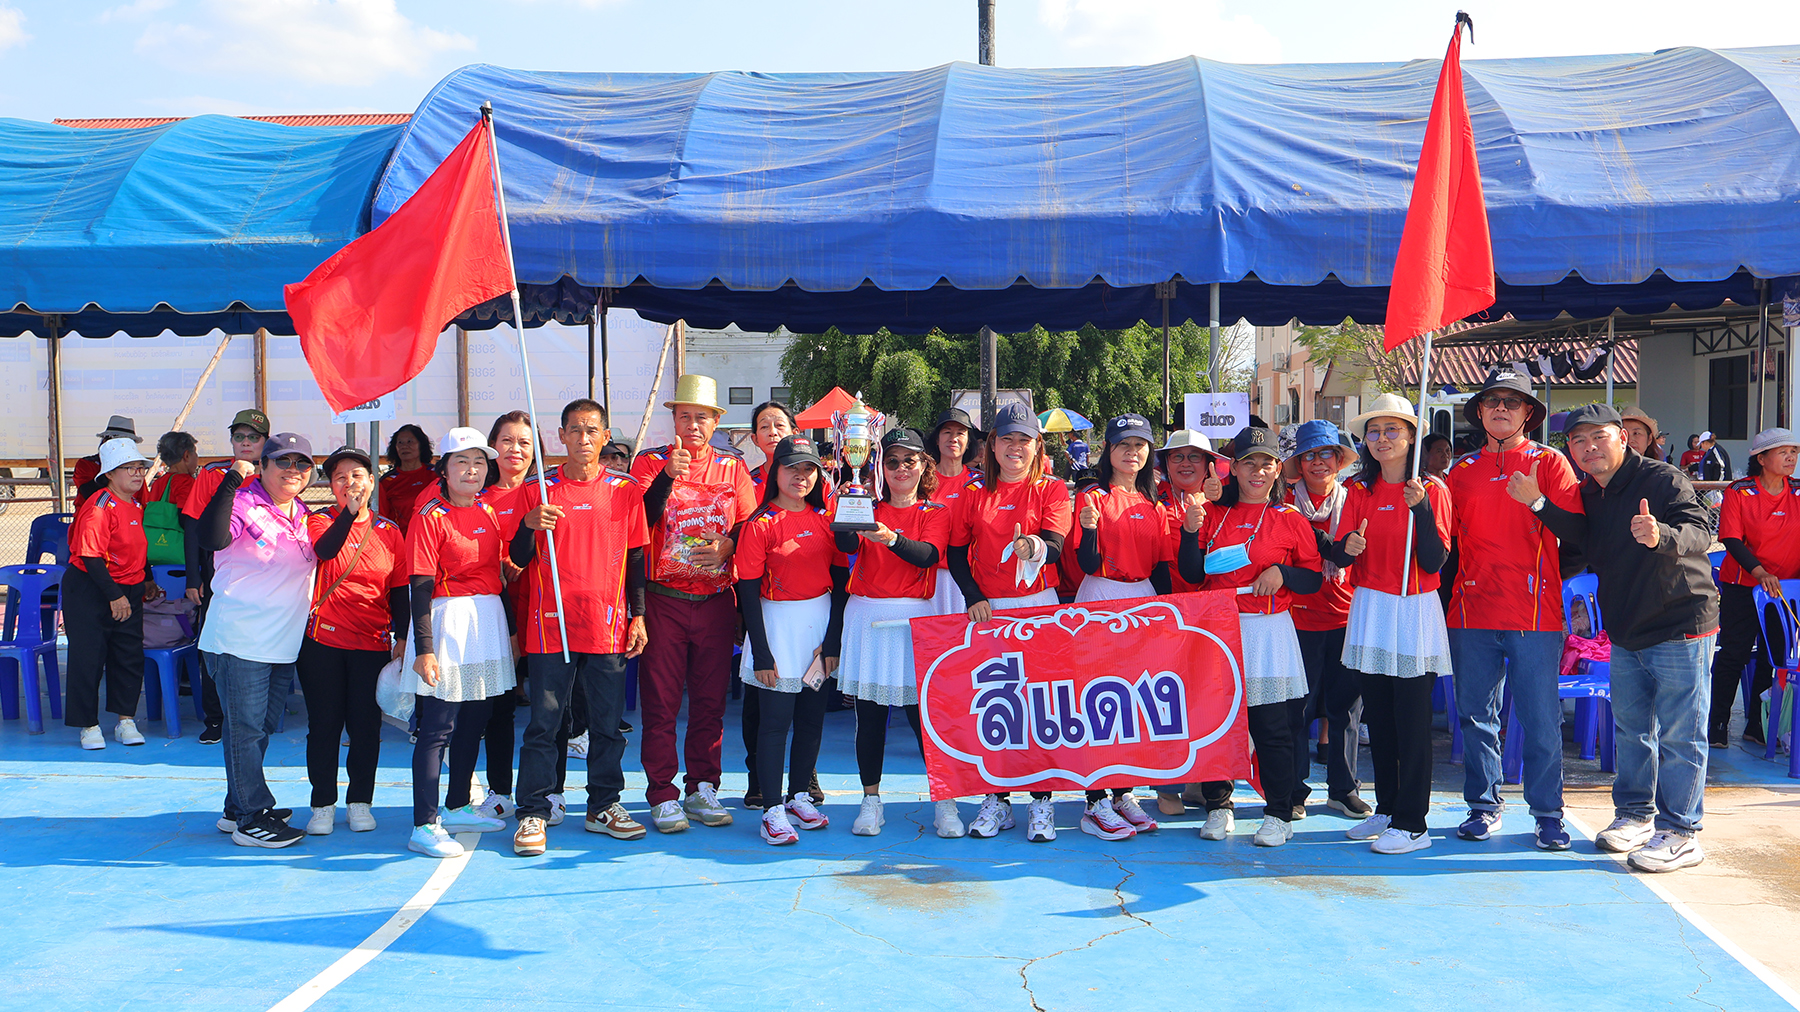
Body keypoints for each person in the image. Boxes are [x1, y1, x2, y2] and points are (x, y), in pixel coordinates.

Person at [1522, 403, 1718, 872]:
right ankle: (1635, 815)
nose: (1588, 447)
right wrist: (1538, 507)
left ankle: (1682, 832)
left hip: (1680, 623)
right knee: (1632, 730)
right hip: (1626, 628)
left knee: (1681, 734)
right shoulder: (1589, 492)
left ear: (1622, 438)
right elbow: (1579, 543)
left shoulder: (1663, 479)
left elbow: (1702, 529)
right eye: (1578, 440)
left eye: (1599, 437)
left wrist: (1661, 534)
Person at [1445, 373, 1583, 851]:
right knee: (1475, 717)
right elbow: (1446, 544)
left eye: (1512, 401)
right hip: (1471, 611)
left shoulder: (1551, 462)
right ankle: (1483, 806)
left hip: (1534, 616)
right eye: (1492, 401)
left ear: (1528, 413)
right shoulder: (1461, 471)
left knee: (1541, 720)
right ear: (1480, 411)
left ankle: (1547, 814)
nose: (1501, 408)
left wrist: (1537, 505)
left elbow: (1577, 534)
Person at [510, 400, 652, 856]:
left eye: (592, 430)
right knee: (544, 723)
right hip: (550, 624)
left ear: (605, 435)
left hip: (606, 623)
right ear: (561, 435)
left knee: (607, 724)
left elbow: (636, 555)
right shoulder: (539, 489)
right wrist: (529, 526)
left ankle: (603, 806)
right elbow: (517, 556)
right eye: (575, 430)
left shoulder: (625, 489)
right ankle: (534, 809)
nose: (584, 438)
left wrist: (638, 614)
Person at [1178, 426, 1323, 848]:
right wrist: (1189, 531)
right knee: (1217, 722)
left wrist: (1283, 573)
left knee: (1272, 726)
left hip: (1267, 629)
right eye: (1248, 463)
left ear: (1278, 470)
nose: (1257, 472)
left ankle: (1279, 813)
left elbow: (1314, 578)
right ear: (1235, 469)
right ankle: (1219, 805)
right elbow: (1191, 573)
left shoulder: (1290, 519)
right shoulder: (1212, 513)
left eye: (1266, 464)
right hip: (1218, 629)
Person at [630, 375, 759, 833]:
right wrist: (668, 476)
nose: (693, 425)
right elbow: (639, 519)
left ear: (715, 421)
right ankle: (662, 793)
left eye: (701, 417)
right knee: (660, 703)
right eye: (684, 416)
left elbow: (749, 525)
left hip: (715, 601)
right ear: (673, 419)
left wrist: (729, 545)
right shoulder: (650, 462)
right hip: (663, 600)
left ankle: (703, 786)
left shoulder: (733, 468)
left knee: (709, 702)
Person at [1328, 394, 1453, 855]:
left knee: (1412, 719)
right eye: (1374, 432)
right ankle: (1386, 807)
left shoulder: (1432, 489)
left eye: (1392, 430)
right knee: (1378, 716)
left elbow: (1435, 560)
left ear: (1411, 436)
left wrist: (1420, 509)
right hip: (1371, 606)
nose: (1382, 439)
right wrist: (1347, 549)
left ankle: (1413, 822)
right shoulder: (1358, 489)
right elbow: (1340, 554)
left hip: (1413, 608)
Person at [947, 402, 1072, 842]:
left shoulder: (1052, 489)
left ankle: (1041, 801)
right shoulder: (973, 491)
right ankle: (997, 800)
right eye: (1007, 438)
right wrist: (974, 596)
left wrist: (1033, 547)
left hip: (1037, 606)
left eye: (1024, 439)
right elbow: (956, 554)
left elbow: (1055, 545)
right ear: (992, 445)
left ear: (1037, 446)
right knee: (995, 706)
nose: (1015, 447)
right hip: (990, 613)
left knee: (1040, 707)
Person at [832, 428, 962, 838]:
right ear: (880, 468)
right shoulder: (867, 505)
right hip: (867, 615)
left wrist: (890, 538)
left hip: (915, 620)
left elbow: (928, 556)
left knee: (925, 720)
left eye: (910, 460)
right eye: (892, 461)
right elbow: (845, 544)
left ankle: (945, 800)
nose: (901, 468)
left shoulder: (935, 511)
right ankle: (871, 800)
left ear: (924, 465)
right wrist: (848, 506)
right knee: (870, 717)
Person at [196, 432, 320, 849]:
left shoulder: (302, 513)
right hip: (240, 638)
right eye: (283, 461)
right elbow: (211, 538)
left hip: (281, 642)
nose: (293, 470)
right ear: (262, 466)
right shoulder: (244, 503)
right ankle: (252, 817)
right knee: (245, 731)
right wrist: (232, 480)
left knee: (259, 728)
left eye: (302, 464)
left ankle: (236, 807)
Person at [401, 428, 518, 858]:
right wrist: (425, 648)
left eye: (479, 462)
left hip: (486, 619)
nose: (472, 470)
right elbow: (419, 586)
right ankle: (424, 823)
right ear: (444, 469)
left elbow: (499, 573)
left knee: (476, 717)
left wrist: (510, 633)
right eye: (461, 462)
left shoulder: (487, 509)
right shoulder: (429, 515)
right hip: (448, 620)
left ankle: (455, 806)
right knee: (438, 726)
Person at [736, 435, 849, 845]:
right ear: (776, 472)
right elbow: (748, 592)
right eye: (792, 468)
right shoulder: (759, 524)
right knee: (775, 723)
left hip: (819, 625)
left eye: (808, 469)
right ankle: (771, 809)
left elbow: (841, 582)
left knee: (811, 719)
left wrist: (833, 640)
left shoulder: (826, 520)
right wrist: (762, 653)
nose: (800, 476)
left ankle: (799, 794)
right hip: (776, 627)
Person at [1072, 413, 1174, 839]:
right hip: (1101, 595)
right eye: (1123, 445)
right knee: (1099, 699)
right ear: (1108, 450)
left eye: (1139, 445)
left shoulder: (1154, 505)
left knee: (1132, 703)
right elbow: (1086, 562)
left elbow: (1163, 568)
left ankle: (1122, 791)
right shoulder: (1093, 496)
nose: (1132, 452)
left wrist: (1171, 617)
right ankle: (1095, 801)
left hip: (1142, 600)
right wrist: (1089, 531)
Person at [298, 447, 407, 836]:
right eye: (340, 478)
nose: (350, 483)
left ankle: (360, 800)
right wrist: (349, 513)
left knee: (365, 727)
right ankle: (322, 804)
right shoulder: (319, 520)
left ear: (372, 482)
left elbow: (399, 589)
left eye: (358, 475)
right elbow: (325, 550)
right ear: (332, 487)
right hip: (322, 642)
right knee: (324, 725)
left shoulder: (390, 532)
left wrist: (403, 637)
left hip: (371, 644)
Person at [1282, 419, 1370, 820]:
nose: (1318, 462)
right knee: (1296, 712)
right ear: (1299, 463)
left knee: (1346, 712)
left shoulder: (1355, 500)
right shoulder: (1283, 503)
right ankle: (1293, 791)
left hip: (1347, 618)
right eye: (1309, 456)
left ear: (1339, 460)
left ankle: (1343, 789)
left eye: (1326, 454)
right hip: (1295, 620)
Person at [458, 411, 539, 823]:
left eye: (524, 442)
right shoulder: (478, 498)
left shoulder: (545, 493)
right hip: (494, 618)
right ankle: (500, 790)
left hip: (542, 615)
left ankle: (549, 792)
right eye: (507, 441)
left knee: (550, 711)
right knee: (495, 707)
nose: (515, 450)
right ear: (493, 448)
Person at [64, 437, 162, 749]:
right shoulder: (98, 507)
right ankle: (88, 726)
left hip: (129, 588)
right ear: (109, 473)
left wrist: (146, 579)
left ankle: (125, 720)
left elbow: (136, 547)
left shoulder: (135, 505)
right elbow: (90, 556)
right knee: (88, 656)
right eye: (128, 468)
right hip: (92, 588)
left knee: (128, 654)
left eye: (139, 467)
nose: (137, 473)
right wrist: (114, 595)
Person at [1706, 427, 1800, 749]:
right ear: (1761, 458)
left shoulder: (1798, 491)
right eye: (1783, 452)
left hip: (1785, 590)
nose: (1791, 457)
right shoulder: (1739, 491)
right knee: (1735, 652)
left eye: (1794, 452)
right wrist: (1760, 573)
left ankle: (1757, 725)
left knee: (1774, 658)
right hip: (1743, 585)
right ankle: (1717, 723)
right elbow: (1730, 539)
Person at [183, 407, 271, 745]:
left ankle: (259, 715)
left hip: (264, 574)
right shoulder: (212, 473)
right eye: (239, 436)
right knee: (215, 645)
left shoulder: (276, 471)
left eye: (253, 437)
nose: (246, 442)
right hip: (217, 574)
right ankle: (216, 718)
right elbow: (193, 527)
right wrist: (193, 578)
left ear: (265, 441)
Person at [1152, 429, 1225, 817]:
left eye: (1194, 456)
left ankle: (1201, 782)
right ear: (1165, 463)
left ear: (1209, 464)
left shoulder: (1224, 502)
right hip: (1166, 614)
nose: (1185, 464)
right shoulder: (1152, 498)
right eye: (1176, 456)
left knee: (1207, 701)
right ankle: (1167, 786)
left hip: (1213, 615)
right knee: (1167, 700)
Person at [740, 400, 797, 808]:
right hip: (755, 598)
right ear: (755, 437)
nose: (773, 431)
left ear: (794, 431)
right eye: (764, 425)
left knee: (805, 694)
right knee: (760, 693)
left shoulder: (817, 480)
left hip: (805, 604)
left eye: (780, 424)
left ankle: (804, 778)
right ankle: (757, 777)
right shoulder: (746, 480)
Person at [926, 408, 982, 617]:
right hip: (930, 574)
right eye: (947, 432)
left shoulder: (980, 482)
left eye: (960, 433)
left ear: (968, 441)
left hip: (970, 576)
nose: (953, 438)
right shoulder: (922, 481)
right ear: (937, 439)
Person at [72, 415, 144, 508]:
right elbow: (89, 493)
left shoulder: (135, 471)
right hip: (92, 512)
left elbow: (143, 501)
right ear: (106, 442)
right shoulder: (87, 464)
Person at [380, 424, 438, 535]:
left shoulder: (436, 475)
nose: (404, 446)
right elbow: (382, 518)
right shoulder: (386, 482)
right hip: (402, 541)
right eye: (400, 443)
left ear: (421, 445)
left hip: (435, 538)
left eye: (410, 441)